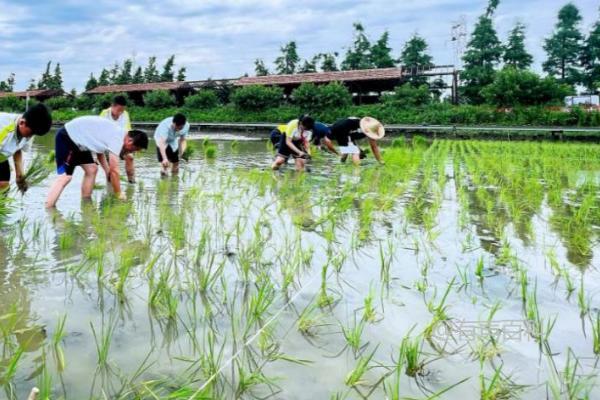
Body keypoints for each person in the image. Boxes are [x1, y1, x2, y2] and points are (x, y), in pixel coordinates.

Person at [45, 116, 148, 208]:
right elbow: (115, 171)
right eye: (133, 149)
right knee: (65, 177)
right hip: (68, 137)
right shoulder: (118, 138)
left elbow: (100, 152)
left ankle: (86, 203)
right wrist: (119, 194)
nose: (130, 152)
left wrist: (106, 171)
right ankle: (49, 209)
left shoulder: (115, 133)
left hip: (80, 142)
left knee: (92, 169)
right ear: (129, 141)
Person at [0, 104, 53, 192]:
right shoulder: (4, 127)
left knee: (4, 186)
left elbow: (17, 149)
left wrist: (19, 176)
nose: (31, 136)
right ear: (22, 123)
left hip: (2, 154)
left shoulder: (28, 131)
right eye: (31, 133)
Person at [99, 95, 136, 183]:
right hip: (107, 144)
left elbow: (127, 131)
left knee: (130, 157)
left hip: (121, 142)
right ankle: (110, 185)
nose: (120, 113)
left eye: (122, 110)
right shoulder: (104, 114)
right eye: (119, 110)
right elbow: (99, 132)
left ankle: (131, 182)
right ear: (112, 106)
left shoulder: (125, 114)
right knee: (111, 167)